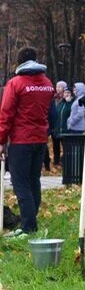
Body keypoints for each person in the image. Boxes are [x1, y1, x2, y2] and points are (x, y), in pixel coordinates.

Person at [0, 47, 55, 238]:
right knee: (34, 181)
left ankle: (28, 226)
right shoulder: (47, 84)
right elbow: (51, 112)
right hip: (40, 139)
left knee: (20, 182)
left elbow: (6, 114)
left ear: (19, 62)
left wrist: (1, 140)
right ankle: (30, 219)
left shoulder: (15, 84)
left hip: (21, 140)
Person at [48, 81, 70, 166]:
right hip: (55, 127)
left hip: (63, 126)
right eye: (56, 87)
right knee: (55, 146)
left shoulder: (66, 100)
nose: (57, 89)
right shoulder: (53, 99)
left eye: (60, 87)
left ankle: (66, 161)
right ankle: (56, 161)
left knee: (65, 145)